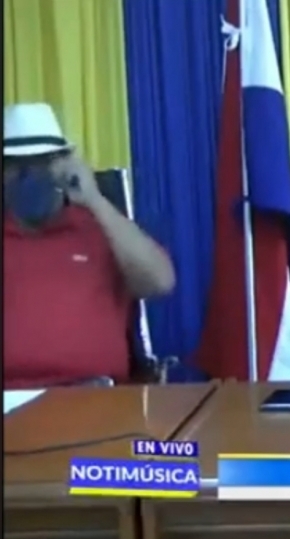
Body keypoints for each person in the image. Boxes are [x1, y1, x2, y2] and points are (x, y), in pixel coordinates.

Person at [3, 103, 176, 387]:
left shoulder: (101, 227)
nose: (29, 175)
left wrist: (94, 199)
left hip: (92, 393)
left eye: (42, 162)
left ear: (65, 163)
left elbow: (160, 282)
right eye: (15, 165)